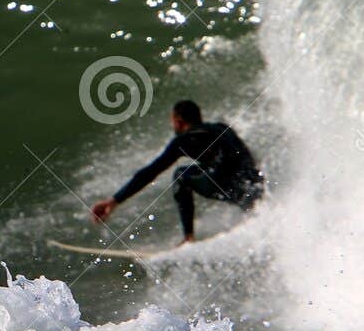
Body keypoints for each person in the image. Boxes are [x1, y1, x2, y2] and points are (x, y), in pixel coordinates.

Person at [89, 100, 264, 244]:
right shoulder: (221, 128)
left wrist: (114, 200)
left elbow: (150, 172)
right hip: (253, 185)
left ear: (179, 121)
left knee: (181, 175)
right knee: (207, 170)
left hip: (230, 186)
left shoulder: (184, 140)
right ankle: (260, 218)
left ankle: (188, 237)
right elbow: (245, 156)